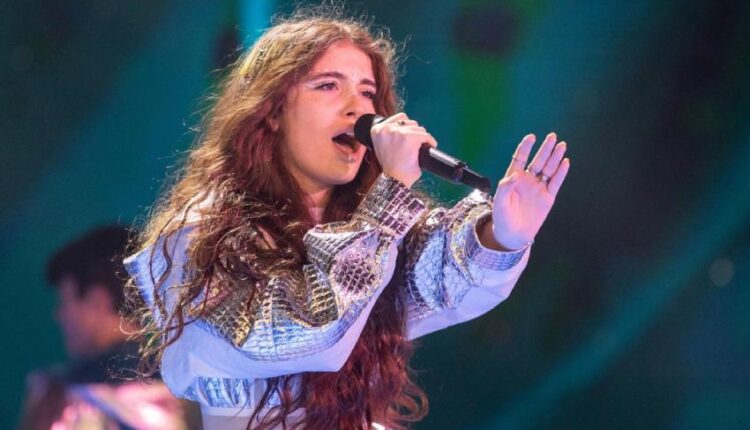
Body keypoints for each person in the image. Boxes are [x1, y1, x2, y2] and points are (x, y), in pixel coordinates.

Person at [125, 7, 570, 430]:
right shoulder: (202, 234)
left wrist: (502, 235)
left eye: (368, 92)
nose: (359, 109)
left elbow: (437, 279)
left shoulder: (371, 225)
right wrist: (392, 191)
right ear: (273, 111)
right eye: (328, 86)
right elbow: (302, 331)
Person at [19, 226, 195, 430]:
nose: (59, 315)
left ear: (98, 301)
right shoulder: (190, 390)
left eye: (65, 301)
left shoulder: (61, 402)